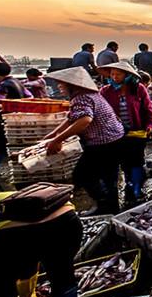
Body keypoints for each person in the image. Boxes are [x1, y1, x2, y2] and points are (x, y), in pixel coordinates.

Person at [42, 67, 125, 214]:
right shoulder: (91, 94)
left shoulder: (81, 97)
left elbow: (84, 120)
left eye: (62, 84)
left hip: (103, 143)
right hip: (115, 138)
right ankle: (112, 208)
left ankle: (103, 204)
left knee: (82, 175)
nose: (59, 86)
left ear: (72, 85)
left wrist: (58, 140)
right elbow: (71, 117)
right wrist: (53, 135)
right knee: (109, 177)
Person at [99, 61, 152, 204]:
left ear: (127, 75)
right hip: (115, 135)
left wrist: (150, 125)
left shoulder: (139, 89)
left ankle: (136, 189)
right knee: (122, 164)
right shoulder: (105, 91)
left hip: (136, 133)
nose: (114, 77)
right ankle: (127, 186)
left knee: (136, 162)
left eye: (118, 74)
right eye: (112, 74)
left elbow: (149, 110)